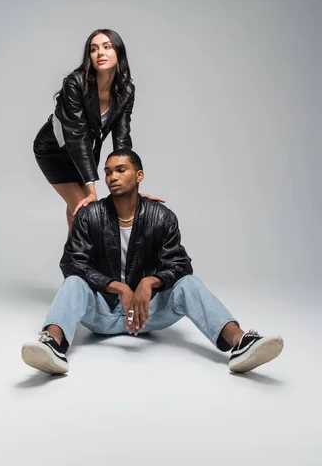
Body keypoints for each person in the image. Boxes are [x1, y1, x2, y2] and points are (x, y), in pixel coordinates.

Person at [21, 149, 284, 376]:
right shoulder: (90, 216)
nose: (112, 177)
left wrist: (149, 282)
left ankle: (241, 344)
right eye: (108, 171)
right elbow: (73, 264)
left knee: (188, 284)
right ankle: (52, 346)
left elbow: (180, 264)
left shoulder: (161, 216)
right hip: (102, 313)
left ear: (139, 175)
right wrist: (118, 287)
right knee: (74, 283)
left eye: (121, 170)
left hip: (148, 314)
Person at [33, 28, 162, 233]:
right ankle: (78, 263)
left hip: (84, 154)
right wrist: (92, 191)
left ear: (118, 52)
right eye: (94, 49)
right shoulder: (75, 83)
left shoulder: (126, 90)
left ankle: (74, 263)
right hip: (54, 152)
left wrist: (133, 188)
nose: (100, 53)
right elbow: (77, 137)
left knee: (76, 213)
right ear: (89, 57)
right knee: (87, 211)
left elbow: (122, 140)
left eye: (107, 47)